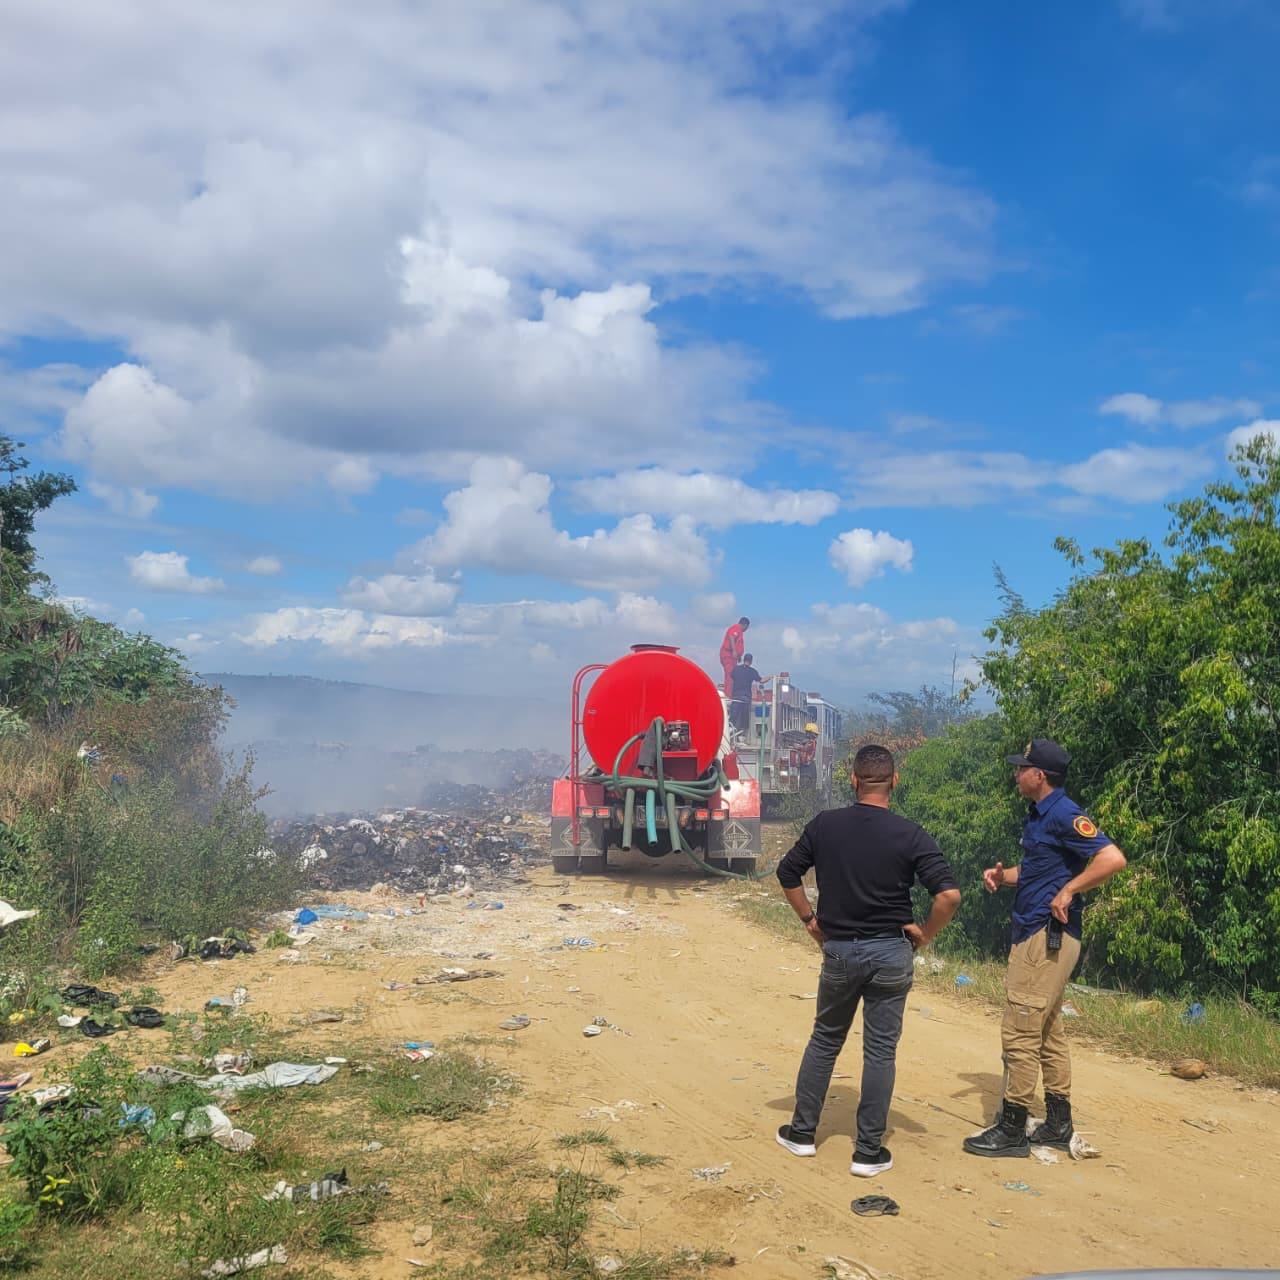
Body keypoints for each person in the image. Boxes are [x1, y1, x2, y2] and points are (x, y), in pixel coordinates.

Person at [774, 744, 961, 1176]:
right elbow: (949, 896)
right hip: (891, 953)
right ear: (894, 781)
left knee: (825, 1040)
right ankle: (868, 1152)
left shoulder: (825, 825)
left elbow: (787, 873)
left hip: (839, 950)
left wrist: (809, 920)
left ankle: (801, 1133)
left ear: (854, 780)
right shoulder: (910, 834)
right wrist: (925, 934)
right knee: (879, 1052)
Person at [963, 738, 1127, 1159]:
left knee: (1020, 1027)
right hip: (1035, 932)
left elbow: (1112, 859)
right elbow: (1038, 868)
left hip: (1045, 935)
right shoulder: (1040, 815)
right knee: (1048, 1027)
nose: (1016, 774)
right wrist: (1004, 876)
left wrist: (1070, 890)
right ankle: (1057, 1123)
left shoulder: (1065, 813)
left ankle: (1012, 1128)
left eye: (1022, 769)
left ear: (1040, 776)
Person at [728, 653, 762, 734]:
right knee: (744, 718)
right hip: (746, 697)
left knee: (733, 717)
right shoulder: (752, 671)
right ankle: (742, 735)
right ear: (751, 661)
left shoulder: (736, 669)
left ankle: (730, 730)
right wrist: (771, 677)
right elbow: (761, 680)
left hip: (736, 696)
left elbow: (731, 675)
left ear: (744, 660)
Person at [719, 616, 749, 696]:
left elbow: (737, 643)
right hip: (728, 655)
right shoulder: (736, 628)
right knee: (730, 675)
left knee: (733, 675)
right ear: (745, 625)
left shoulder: (739, 631)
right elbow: (731, 636)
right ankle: (728, 695)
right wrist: (734, 651)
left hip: (733, 657)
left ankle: (730, 693)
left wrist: (738, 656)